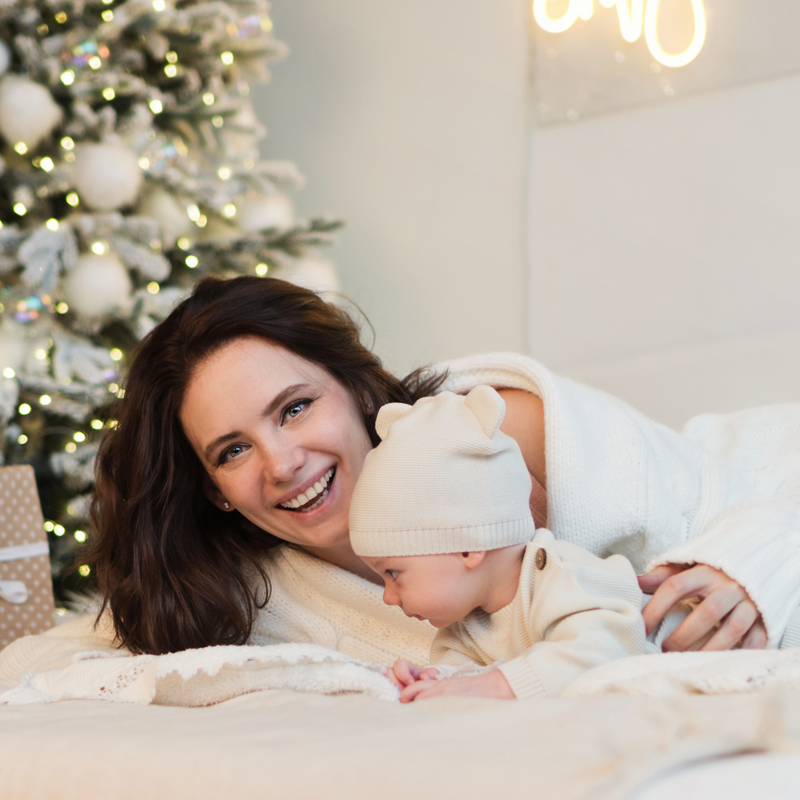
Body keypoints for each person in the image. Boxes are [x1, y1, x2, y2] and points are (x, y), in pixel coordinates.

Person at [83, 275, 800, 681]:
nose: (281, 464)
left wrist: (751, 563)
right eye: (232, 451)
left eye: (296, 408)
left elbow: (743, 500)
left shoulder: (499, 432)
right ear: (212, 487)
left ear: (356, 388)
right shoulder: (255, 596)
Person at [349, 385, 650, 701]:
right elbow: (464, 675)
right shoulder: (463, 628)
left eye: (393, 573)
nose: (387, 597)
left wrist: (501, 684)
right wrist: (432, 679)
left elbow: (607, 644)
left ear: (468, 545)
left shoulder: (560, 576)